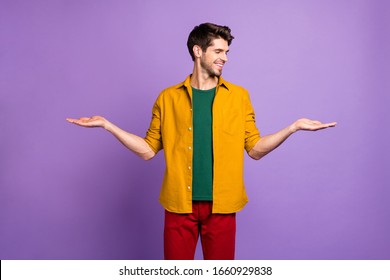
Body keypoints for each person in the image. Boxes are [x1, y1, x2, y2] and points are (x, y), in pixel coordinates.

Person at [66, 22, 336, 260]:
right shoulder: (168, 98)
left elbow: (254, 149)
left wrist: (293, 127)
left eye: (227, 52)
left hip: (223, 206)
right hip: (178, 205)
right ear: (198, 51)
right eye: (218, 52)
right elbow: (148, 150)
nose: (225, 59)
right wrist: (108, 125)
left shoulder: (239, 97)